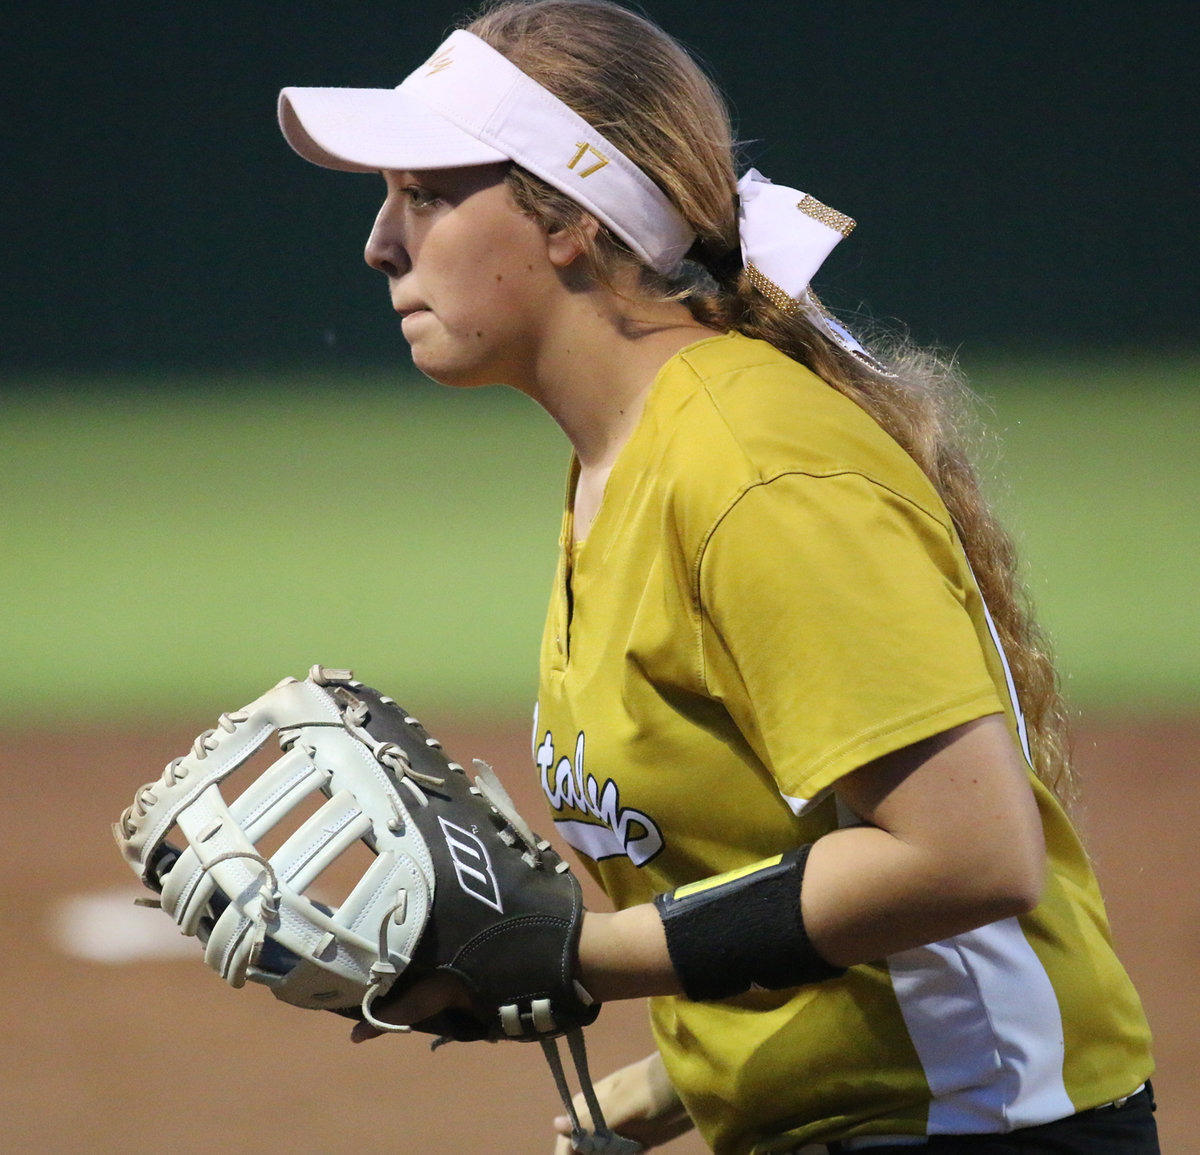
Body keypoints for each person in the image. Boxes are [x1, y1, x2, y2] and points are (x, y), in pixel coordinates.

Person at [276, 2, 1158, 1151]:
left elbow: (970, 855)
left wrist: (583, 958)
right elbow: (774, 853)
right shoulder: (633, 456)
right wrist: (687, 1081)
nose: (381, 243)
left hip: (982, 1125)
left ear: (570, 218)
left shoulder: (752, 470)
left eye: (427, 194)